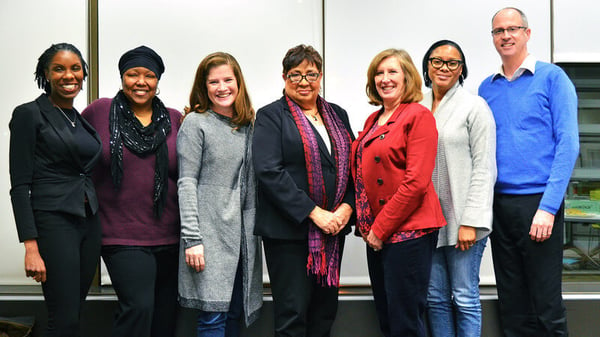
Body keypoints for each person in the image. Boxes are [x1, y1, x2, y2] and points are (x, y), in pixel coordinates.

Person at [479, 7, 579, 337]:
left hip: (538, 204)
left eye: (513, 28)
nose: (506, 35)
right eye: (498, 31)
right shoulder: (486, 88)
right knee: (512, 302)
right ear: (493, 38)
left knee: (546, 304)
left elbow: (568, 145)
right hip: (500, 205)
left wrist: (548, 208)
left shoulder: (552, 78)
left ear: (527, 33)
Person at [253, 44, 355, 337]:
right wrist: (315, 213)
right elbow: (269, 171)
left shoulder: (338, 114)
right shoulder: (271, 116)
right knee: (292, 315)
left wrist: (346, 208)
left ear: (320, 76)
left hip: (332, 233)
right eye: (295, 75)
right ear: (284, 78)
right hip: (288, 234)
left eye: (311, 74)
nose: (304, 82)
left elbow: (352, 168)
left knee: (324, 313)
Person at [81, 45, 181, 337]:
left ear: (158, 80)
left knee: (165, 316)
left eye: (149, 75)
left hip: (171, 234)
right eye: (132, 74)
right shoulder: (99, 111)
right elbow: (73, 154)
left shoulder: (174, 119)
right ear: (122, 77)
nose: (141, 81)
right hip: (120, 233)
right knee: (138, 309)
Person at [9, 43, 102, 336]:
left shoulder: (80, 119)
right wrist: (31, 247)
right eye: (59, 68)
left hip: (88, 221)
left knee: (74, 313)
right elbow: (20, 186)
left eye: (75, 68)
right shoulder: (30, 114)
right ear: (46, 74)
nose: (69, 75)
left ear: (83, 74)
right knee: (62, 319)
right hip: (53, 222)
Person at [351, 48, 446, 337]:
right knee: (387, 316)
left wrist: (380, 229)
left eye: (392, 72)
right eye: (379, 73)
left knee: (406, 322)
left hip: (408, 234)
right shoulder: (373, 120)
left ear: (407, 77)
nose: (385, 79)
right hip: (376, 234)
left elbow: (416, 182)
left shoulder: (418, 116)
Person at [177, 52, 262, 337]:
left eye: (228, 79)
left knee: (236, 314)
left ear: (239, 82)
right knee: (213, 317)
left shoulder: (249, 125)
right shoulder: (196, 123)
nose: (222, 87)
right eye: (213, 81)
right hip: (209, 238)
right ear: (204, 86)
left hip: (243, 240)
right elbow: (186, 182)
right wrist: (192, 239)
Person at [420, 40, 496, 337]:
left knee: (464, 298)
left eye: (452, 63)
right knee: (435, 299)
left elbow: (485, 166)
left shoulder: (474, 107)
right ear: (427, 65)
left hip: (464, 222)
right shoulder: (416, 106)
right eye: (437, 61)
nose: (444, 68)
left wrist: (471, 221)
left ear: (461, 69)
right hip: (427, 222)